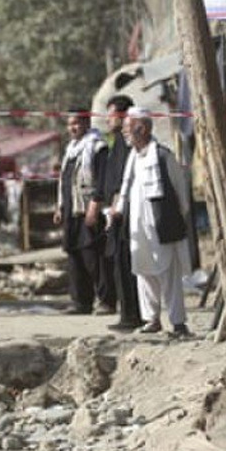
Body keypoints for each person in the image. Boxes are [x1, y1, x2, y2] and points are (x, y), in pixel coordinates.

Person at [112, 108, 192, 338]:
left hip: (161, 225)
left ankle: (178, 323)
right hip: (138, 227)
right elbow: (126, 189)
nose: (126, 133)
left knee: (168, 273)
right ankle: (152, 319)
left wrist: (173, 220)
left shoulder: (164, 156)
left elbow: (181, 194)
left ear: (143, 128)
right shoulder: (133, 157)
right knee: (143, 272)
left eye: (129, 128)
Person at [54, 108, 108, 315]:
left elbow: (102, 180)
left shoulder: (98, 147)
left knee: (94, 257)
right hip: (71, 211)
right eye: (69, 124)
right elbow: (64, 180)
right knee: (74, 255)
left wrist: (95, 205)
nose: (72, 128)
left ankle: (105, 300)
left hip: (89, 210)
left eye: (76, 123)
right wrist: (60, 206)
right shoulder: (71, 150)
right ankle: (81, 302)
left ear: (86, 123)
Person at [99, 95, 143, 330]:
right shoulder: (116, 142)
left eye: (112, 114)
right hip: (115, 214)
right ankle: (128, 314)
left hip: (125, 215)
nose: (108, 119)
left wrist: (115, 206)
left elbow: (123, 181)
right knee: (119, 264)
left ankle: (133, 316)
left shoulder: (127, 145)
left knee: (127, 265)